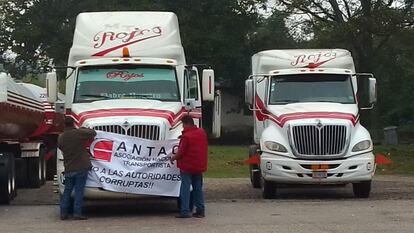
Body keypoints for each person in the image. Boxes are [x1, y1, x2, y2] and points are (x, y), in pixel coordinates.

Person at [58, 117, 96, 220]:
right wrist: (83, 128)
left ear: (64, 125)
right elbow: (93, 133)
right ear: (74, 123)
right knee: (79, 191)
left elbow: (60, 146)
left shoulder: (61, 137)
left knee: (67, 191)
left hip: (69, 167)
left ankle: (63, 213)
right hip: (81, 167)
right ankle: (77, 213)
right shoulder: (79, 133)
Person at [171, 115, 208, 218]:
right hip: (199, 166)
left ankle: (185, 211)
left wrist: (173, 158)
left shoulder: (186, 137)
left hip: (187, 167)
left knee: (185, 189)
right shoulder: (201, 133)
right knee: (198, 188)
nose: (183, 127)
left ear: (186, 124)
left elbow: (181, 153)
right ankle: (201, 210)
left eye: (183, 125)